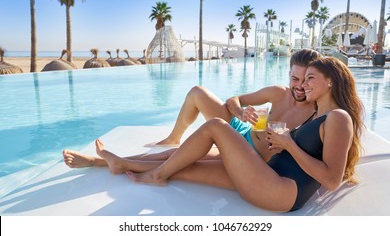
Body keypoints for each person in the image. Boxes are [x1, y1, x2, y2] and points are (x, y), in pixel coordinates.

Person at [94, 57, 364, 212]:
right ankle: (118, 163)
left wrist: (289, 144)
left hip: (281, 190)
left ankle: (155, 176)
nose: (303, 85)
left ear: (330, 81)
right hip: (267, 173)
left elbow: (330, 180)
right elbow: (310, 152)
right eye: (300, 79)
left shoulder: (338, 117)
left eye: (310, 79)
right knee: (189, 165)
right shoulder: (319, 113)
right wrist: (281, 142)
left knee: (215, 126)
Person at [63, 49, 321, 168]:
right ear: (289, 74)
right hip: (239, 129)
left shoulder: (315, 113)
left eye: (305, 80)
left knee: (179, 158)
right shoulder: (278, 93)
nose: (299, 86)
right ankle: (174, 136)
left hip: (248, 153)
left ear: (315, 79)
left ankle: (101, 162)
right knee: (197, 92)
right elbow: (234, 99)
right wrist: (241, 111)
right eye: (294, 78)